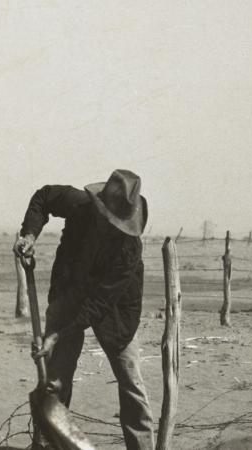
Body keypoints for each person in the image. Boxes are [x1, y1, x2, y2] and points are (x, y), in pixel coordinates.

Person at [14, 169, 154, 450]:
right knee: (55, 380)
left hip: (115, 307)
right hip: (70, 291)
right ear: (99, 206)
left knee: (131, 382)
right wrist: (30, 235)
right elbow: (44, 196)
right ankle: (46, 444)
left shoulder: (128, 249)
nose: (110, 225)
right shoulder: (78, 204)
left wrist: (58, 334)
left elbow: (101, 302)